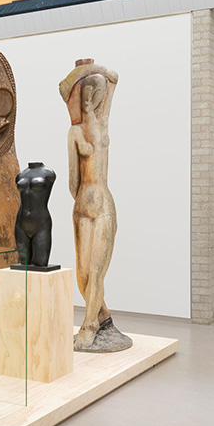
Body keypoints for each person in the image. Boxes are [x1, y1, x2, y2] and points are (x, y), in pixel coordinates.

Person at [59, 59, 131, 353]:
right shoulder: (75, 133)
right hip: (82, 207)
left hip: (103, 207)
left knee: (96, 271)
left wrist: (93, 69)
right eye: (86, 94)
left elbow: (113, 77)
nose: (90, 100)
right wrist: (83, 72)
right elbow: (72, 180)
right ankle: (103, 318)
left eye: (95, 94)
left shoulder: (102, 126)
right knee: (82, 275)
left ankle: (88, 326)